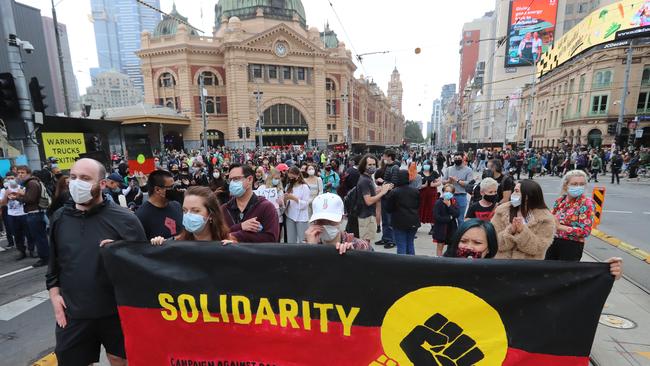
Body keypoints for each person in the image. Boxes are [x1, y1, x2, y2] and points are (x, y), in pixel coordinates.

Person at [47, 158, 147, 366]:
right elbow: (54, 263)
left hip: (116, 312)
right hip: (74, 313)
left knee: (121, 359)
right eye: (73, 177)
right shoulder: (59, 218)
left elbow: (143, 267)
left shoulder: (126, 220)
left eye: (85, 178)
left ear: (102, 184)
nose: (76, 183)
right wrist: (54, 296)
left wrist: (120, 251)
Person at [491, 179, 555, 260]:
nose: (513, 194)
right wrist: (510, 231)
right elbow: (493, 241)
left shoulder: (545, 218)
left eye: (517, 191)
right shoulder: (502, 210)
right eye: (514, 191)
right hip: (502, 264)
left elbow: (539, 247)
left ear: (528, 195)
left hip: (527, 266)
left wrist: (522, 232)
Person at [150, 186, 232, 245]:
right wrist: (159, 244)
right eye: (185, 210)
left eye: (195, 211)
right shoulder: (177, 243)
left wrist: (232, 250)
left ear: (211, 214)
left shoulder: (226, 242)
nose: (188, 215)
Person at [221, 164, 280, 243]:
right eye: (230, 180)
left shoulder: (266, 207)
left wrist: (237, 236)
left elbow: (271, 238)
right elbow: (217, 235)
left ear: (249, 179)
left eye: (236, 179)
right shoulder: (224, 209)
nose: (232, 183)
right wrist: (241, 226)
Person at [546, 170, 595, 261]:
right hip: (553, 242)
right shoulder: (561, 200)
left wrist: (560, 227)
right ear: (566, 185)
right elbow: (552, 218)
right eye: (574, 184)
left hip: (571, 246)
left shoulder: (586, 203)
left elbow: (585, 231)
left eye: (581, 184)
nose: (578, 187)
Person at [304, 193, 371, 253]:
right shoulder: (308, 244)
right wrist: (311, 249)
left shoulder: (359, 246)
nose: (325, 225)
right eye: (320, 221)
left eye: (330, 221)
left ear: (342, 218)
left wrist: (354, 256)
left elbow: (373, 261)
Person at [15, 166, 50, 267]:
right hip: (34, 213)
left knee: (39, 237)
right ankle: (46, 257)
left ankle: (45, 258)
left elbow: (30, 199)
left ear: (28, 173)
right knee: (40, 237)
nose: (20, 175)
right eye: (19, 173)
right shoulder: (31, 182)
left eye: (23, 172)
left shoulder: (31, 183)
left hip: (35, 213)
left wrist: (18, 197)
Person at [135, 170, 184, 240]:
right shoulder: (141, 216)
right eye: (171, 187)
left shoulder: (177, 205)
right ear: (157, 190)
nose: (175, 190)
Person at [357, 154, 393, 244]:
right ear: (364, 166)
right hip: (366, 216)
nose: (372, 167)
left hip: (368, 215)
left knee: (366, 242)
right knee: (365, 244)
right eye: (369, 165)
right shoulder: (365, 180)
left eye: (374, 164)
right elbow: (368, 201)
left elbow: (371, 193)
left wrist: (382, 188)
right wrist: (382, 192)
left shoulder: (368, 178)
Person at [385, 170, 420, 255]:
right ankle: (412, 265)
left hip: (399, 221)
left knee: (401, 245)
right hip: (413, 220)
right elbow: (418, 205)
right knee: (410, 244)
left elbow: (388, 208)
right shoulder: (415, 191)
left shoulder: (394, 192)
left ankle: (402, 266)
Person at [0, 172, 28, 259]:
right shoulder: (3, 190)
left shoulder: (22, 188)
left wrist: (19, 195)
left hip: (24, 213)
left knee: (29, 233)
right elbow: (2, 204)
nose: (10, 180)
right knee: (17, 234)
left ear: (16, 178)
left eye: (12, 178)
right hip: (12, 215)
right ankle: (21, 251)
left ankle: (31, 249)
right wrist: (6, 195)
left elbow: (27, 200)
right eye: (8, 179)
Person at [377, 149, 401, 248]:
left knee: (390, 219)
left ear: (389, 157)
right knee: (385, 219)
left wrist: (382, 182)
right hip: (385, 195)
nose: (383, 157)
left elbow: (394, 184)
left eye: (384, 155)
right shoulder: (388, 166)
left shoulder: (395, 167)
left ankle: (392, 240)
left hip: (390, 197)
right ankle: (385, 238)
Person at [442, 152, 473, 227]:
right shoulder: (449, 169)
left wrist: (457, 181)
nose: (457, 160)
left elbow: (469, 184)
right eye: (455, 158)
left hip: (461, 196)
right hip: (449, 196)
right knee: (447, 217)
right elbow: (443, 181)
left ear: (463, 159)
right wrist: (449, 181)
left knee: (460, 218)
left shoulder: (468, 170)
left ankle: (460, 235)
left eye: (459, 158)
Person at [283, 166, 311, 243]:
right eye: (289, 176)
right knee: (291, 240)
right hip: (290, 216)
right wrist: (284, 199)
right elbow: (286, 203)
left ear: (298, 175)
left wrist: (294, 198)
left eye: (293, 175)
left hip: (301, 217)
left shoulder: (304, 187)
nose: (291, 178)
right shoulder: (288, 186)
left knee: (303, 240)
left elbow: (305, 204)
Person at [433, 184, 460, 256]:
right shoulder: (438, 202)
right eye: (446, 191)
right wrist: (449, 218)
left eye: (450, 192)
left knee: (451, 247)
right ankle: (439, 261)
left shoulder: (453, 202)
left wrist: (449, 205)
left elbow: (457, 214)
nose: (448, 193)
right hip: (441, 228)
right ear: (443, 192)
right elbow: (436, 216)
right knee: (440, 246)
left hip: (452, 228)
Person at [419, 160, 441, 234]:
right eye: (424, 164)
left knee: (432, 208)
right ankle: (416, 225)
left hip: (432, 193)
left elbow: (439, 181)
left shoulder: (434, 173)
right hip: (422, 193)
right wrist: (423, 186)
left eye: (428, 164)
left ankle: (433, 227)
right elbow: (415, 185)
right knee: (420, 208)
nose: (426, 166)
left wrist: (434, 185)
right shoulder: (419, 173)